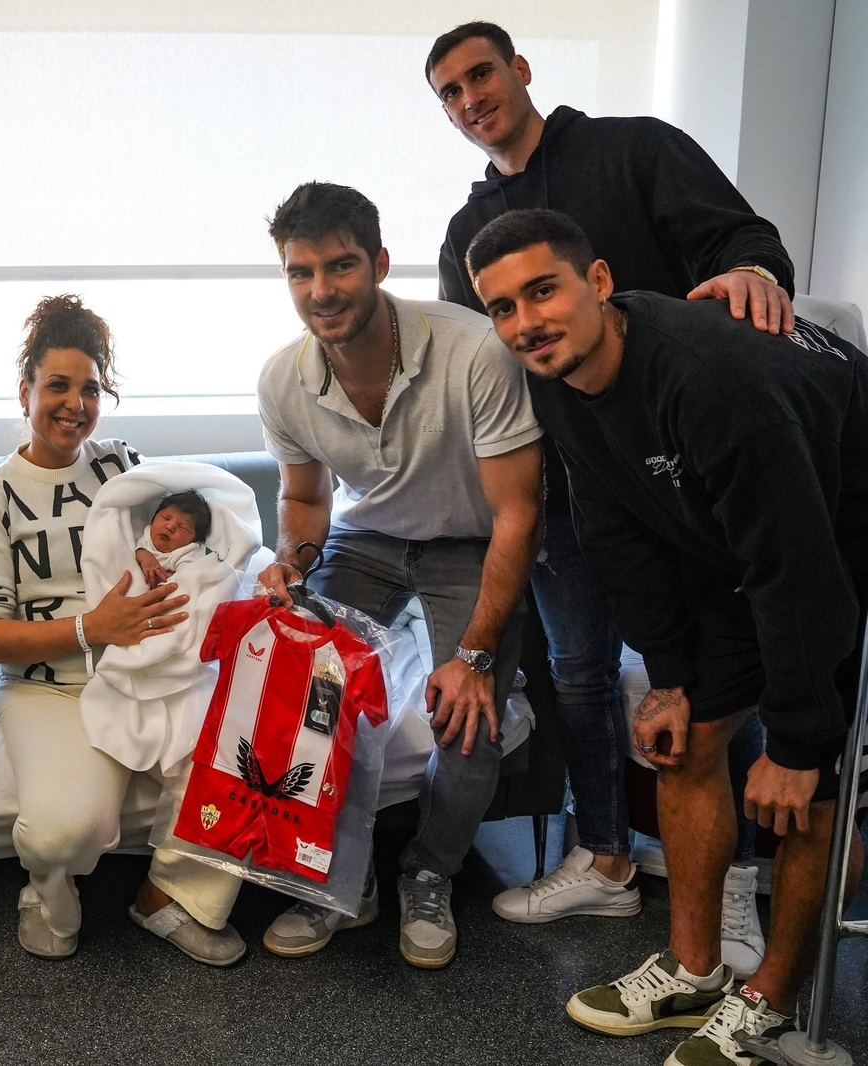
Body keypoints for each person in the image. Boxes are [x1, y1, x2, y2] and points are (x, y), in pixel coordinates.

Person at [425, 20, 793, 961]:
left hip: (687, 477)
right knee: (581, 679)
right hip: (569, 486)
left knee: (719, 685)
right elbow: (482, 373)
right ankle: (607, 860)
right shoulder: (468, 233)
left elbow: (742, 238)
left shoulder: (635, 149)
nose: (471, 99)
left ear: (520, 70)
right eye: (450, 92)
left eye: (481, 74)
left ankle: (734, 884)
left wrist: (751, 276)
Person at [467, 208, 866, 1066]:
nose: (525, 322)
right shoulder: (555, 375)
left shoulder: (714, 382)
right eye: (502, 308)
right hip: (748, 544)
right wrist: (674, 677)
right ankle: (696, 972)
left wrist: (798, 740)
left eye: (543, 291)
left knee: (811, 794)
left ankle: (771, 1002)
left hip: (843, 542)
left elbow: (800, 573)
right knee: (682, 747)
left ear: (599, 281)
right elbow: (617, 525)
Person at [254, 182, 543, 969]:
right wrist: (292, 561)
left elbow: (519, 512)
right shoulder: (283, 380)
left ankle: (429, 873)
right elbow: (307, 499)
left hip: (469, 541)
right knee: (305, 691)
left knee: (467, 717)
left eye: (341, 266)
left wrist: (476, 656)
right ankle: (336, 877)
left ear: (379, 263)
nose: (321, 290)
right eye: (300, 272)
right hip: (367, 535)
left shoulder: (475, 350)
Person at [0, 294, 249, 965]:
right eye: (57, 386)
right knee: (64, 832)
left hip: (152, 667)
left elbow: (186, 538)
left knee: (237, 755)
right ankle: (46, 893)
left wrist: (247, 571)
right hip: (50, 686)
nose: (75, 404)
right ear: (25, 390)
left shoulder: (122, 464)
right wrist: (92, 628)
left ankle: (166, 898)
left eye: (90, 389)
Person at [134, 489, 213, 587]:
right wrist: (146, 557)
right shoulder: (148, 533)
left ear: (194, 539)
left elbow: (186, 579)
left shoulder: (188, 552)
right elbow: (139, 546)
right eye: (166, 518)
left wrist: (166, 578)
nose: (170, 527)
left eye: (182, 527)